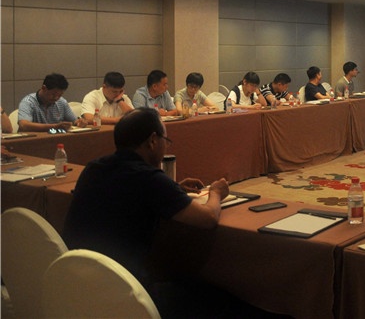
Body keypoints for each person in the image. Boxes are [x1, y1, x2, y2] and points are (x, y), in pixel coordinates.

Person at [62, 108, 231, 315]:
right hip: (127, 296)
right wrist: (216, 192)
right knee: (223, 299)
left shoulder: (94, 168)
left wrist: (173, 189)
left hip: (77, 287)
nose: (165, 146)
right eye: (165, 140)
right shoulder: (149, 179)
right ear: (152, 141)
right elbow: (208, 218)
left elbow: (126, 193)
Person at [17, 73, 87, 132]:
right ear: (44, 88)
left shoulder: (61, 102)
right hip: (33, 141)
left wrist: (80, 122)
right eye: (53, 94)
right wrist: (54, 127)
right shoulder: (28, 102)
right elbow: (23, 125)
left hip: (54, 139)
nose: (56, 98)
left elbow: (74, 121)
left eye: (60, 95)